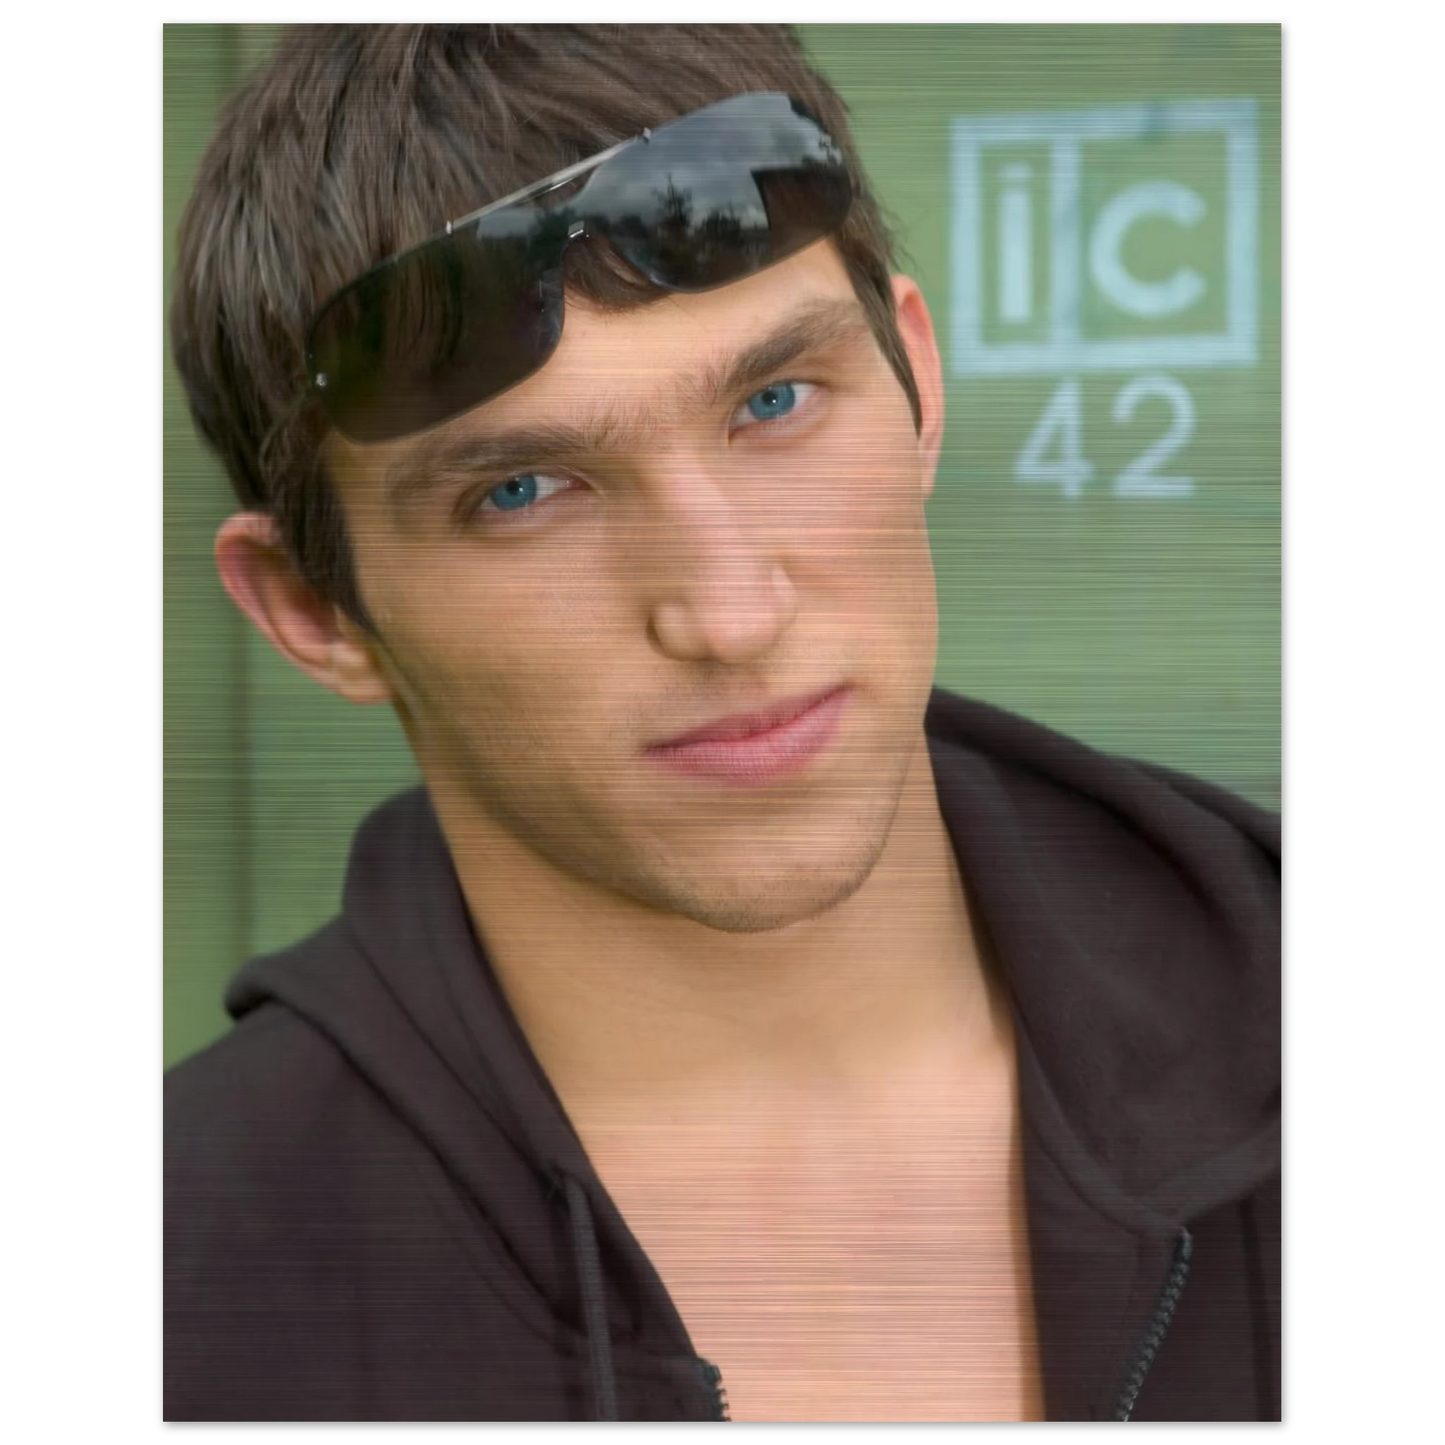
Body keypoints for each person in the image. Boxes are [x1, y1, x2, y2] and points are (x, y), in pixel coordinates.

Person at [163, 23, 1281, 1425]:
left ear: (918, 381)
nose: (730, 611)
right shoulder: (190, 1296)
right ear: (313, 611)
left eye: (775, 401)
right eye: (520, 493)